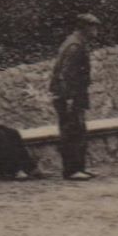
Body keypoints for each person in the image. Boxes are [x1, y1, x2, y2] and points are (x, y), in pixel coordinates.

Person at [50, 13, 102, 181]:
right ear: (84, 27)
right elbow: (66, 74)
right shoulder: (75, 46)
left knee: (78, 131)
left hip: (73, 95)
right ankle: (72, 170)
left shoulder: (77, 43)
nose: (96, 30)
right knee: (71, 131)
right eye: (93, 27)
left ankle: (78, 167)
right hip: (69, 96)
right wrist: (69, 97)